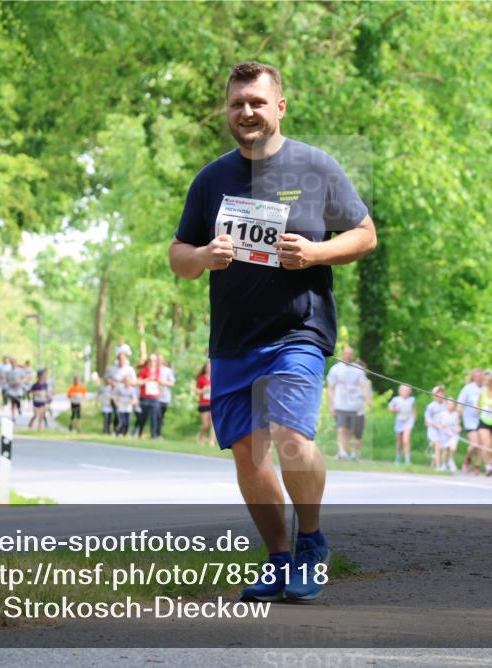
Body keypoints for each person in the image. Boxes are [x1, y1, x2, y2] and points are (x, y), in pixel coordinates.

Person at [169, 61, 376, 603]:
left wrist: (316, 253)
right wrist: (203, 256)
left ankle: (312, 542)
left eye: (257, 102)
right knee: (249, 454)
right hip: (233, 339)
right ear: (228, 111)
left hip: (298, 331)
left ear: (279, 107)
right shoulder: (211, 180)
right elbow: (178, 256)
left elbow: (364, 235)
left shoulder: (316, 166)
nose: (247, 112)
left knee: (290, 436)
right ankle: (280, 558)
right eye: (237, 103)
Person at [326, 345, 367, 460]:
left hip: (355, 405)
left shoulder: (358, 369)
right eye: (346, 353)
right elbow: (330, 388)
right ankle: (342, 452)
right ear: (343, 354)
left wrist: (367, 399)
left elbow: (363, 385)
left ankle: (350, 452)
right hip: (340, 404)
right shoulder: (335, 369)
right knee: (341, 428)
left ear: (353, 355)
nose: (348, 356)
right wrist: (330, 404)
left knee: (353, 431)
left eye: (350, 354)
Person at [457, 369, 484, 473]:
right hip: (470, 420)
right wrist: (458, 421)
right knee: (475, 444)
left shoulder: (486, 388)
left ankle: (477, 466)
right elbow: (460, 405)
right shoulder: (468, 388)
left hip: (483, 420)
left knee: (481, 445)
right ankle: (467, 459)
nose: (479, 378)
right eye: (476, 376)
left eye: (480, 376)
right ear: (473, 377)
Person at [135, 355, 163, 439]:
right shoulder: (144, 371)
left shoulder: (158, 371)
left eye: (154, 360)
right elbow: (138, 382)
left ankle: (153, 435)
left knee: (154, 417)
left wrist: (160, 390)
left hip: (155, 397)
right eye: (151, 360)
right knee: (143, 417)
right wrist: (148, 379)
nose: (152, 362)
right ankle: (140, 433)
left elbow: (159, 383)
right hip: (145, 397)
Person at [110, 351, 137, 436]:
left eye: (123, 359)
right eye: (120, 359)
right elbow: (107, 379)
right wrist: (111, 382)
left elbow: (134, 382)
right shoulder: (112, 369)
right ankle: (117, 431)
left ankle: (123, 432)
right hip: (116, 395)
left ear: (126, 359)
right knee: (117, 415)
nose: (121, 360)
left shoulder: (130, 369)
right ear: (117, 359)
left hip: (127, 397)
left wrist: (126, 382)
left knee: (126, 418)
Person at [389, 385, 416, 465]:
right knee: (399, 442)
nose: (405, 392)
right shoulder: (396, 399)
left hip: (409, 421)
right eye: (404, 390)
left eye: (407, 391)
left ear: (410, 392)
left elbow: (414, 410)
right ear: (400, 391)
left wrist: (413, 420)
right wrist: (395, 409)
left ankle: (408, 460)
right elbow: (390, 407)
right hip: (399, 421)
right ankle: (398, 458)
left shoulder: (412, 399)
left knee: (406, 440)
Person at [195, 361, 214, 445]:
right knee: (205, 425)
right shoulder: (201, 378)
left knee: (214, 424)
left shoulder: (215, 377)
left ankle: (211, 441)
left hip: (214, 403)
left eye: (210, 367)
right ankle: (200, 437)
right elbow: (197, 391)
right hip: (204, 404)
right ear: (205, 368)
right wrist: (204, 390)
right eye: (207, 367)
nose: (209, 368)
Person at [157, 355, 176, 436]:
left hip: (165, 397)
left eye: (160, 359)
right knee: (156, 415)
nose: (158, 360)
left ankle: (158, 433)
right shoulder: (153, 369)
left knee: (161, 416)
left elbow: (172, 384)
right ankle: (155, 433)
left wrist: (163, 382)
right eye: (157, 359)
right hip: (154, 396)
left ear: (163, 360)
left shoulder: (168, 370)